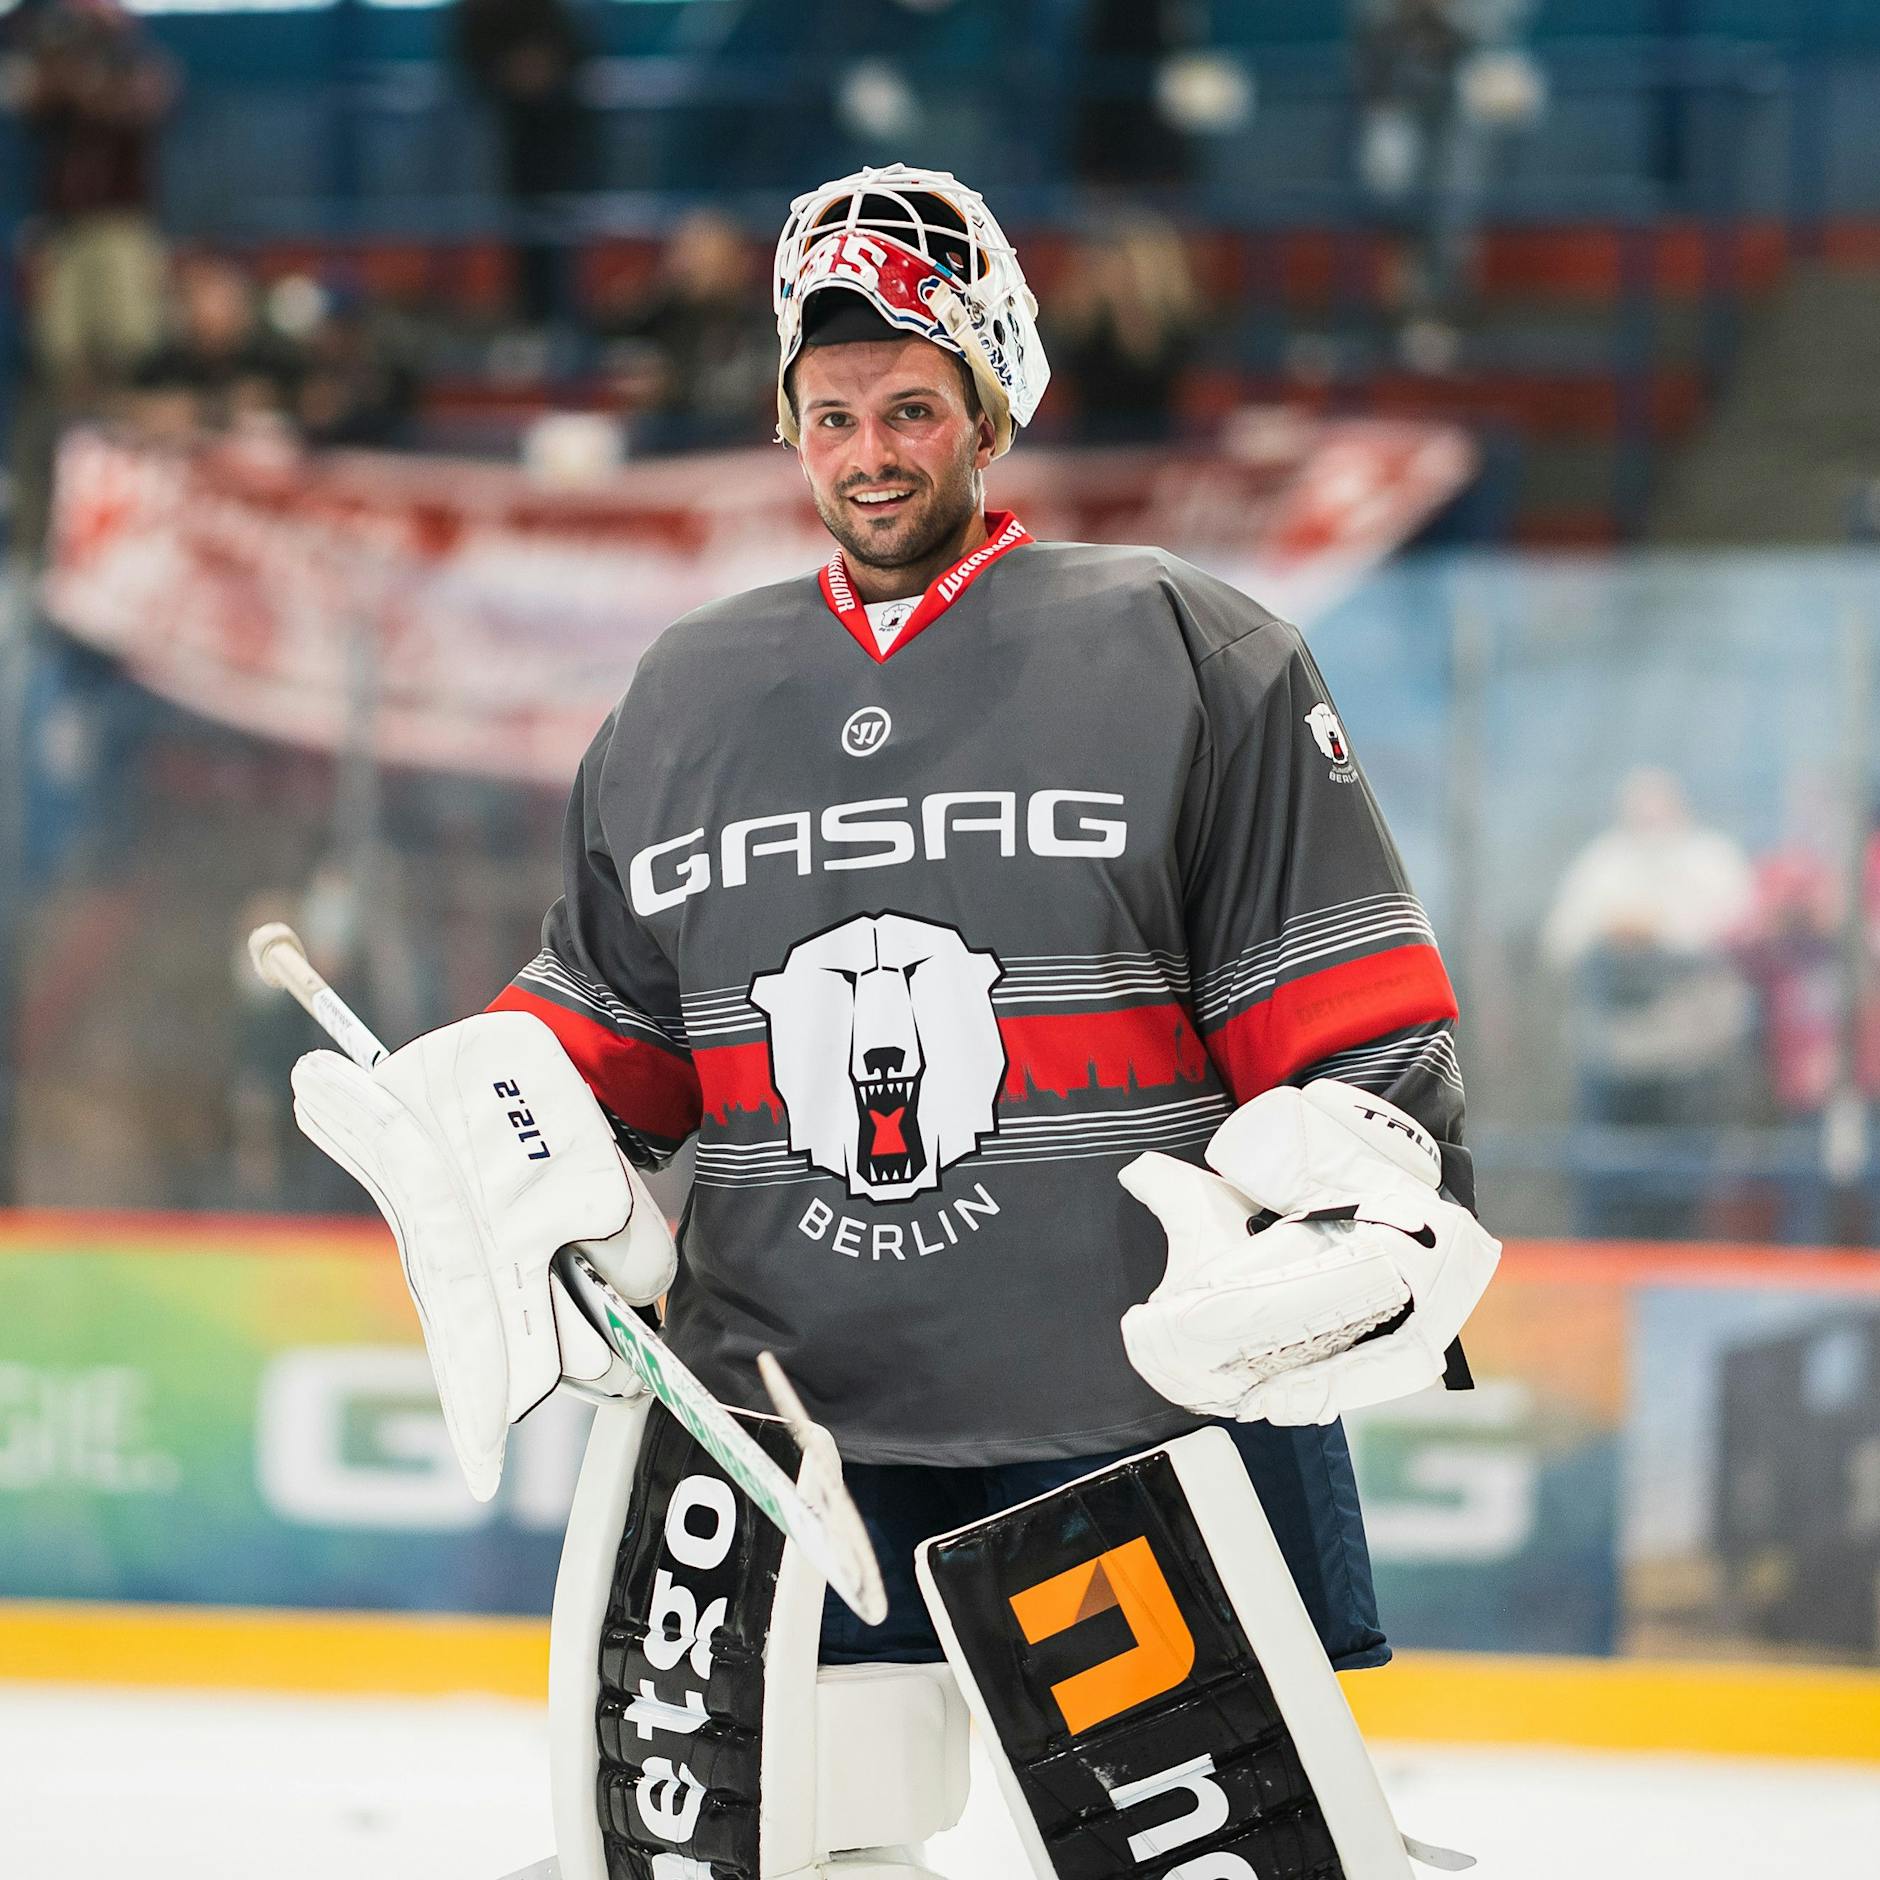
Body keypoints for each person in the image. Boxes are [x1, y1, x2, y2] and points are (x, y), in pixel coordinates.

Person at [290, 165, 1498, 1877]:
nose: (871, 451)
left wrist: (1377, 1195)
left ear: (990, 410)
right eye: (833, 411)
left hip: (1128, 1421)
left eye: (914, 406)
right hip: (780, 1441)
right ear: (789, 426)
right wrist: (500, 1142)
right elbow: (611, 1043)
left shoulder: (1188, 651)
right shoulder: (687, 696)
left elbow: (1350, 1022)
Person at [1541, 766, 1756, 1238]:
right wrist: (1615, 932)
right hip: (1615, 1057)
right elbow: (1561, 940)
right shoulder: (1603, 863)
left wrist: (1661, 931)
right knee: (1613, 1180)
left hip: (1692, 1058)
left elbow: (1740, 932)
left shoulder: (1711, 860)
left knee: (1685, 1180)